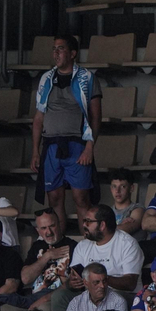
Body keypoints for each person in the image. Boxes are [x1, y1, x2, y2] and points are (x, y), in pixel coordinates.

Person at [31, 34, 99, 235]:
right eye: (54, 49)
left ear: (73, 53)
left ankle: (88, 246)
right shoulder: (46, 78)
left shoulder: (87, 78)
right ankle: (59, 248)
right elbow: (38, 118)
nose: (56, 53)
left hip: (78, 145)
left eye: (60, 49)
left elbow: (95, 117)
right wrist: (35, 151)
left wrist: (89, 147)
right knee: (54, 199)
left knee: (81, 198)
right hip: (51, 146)